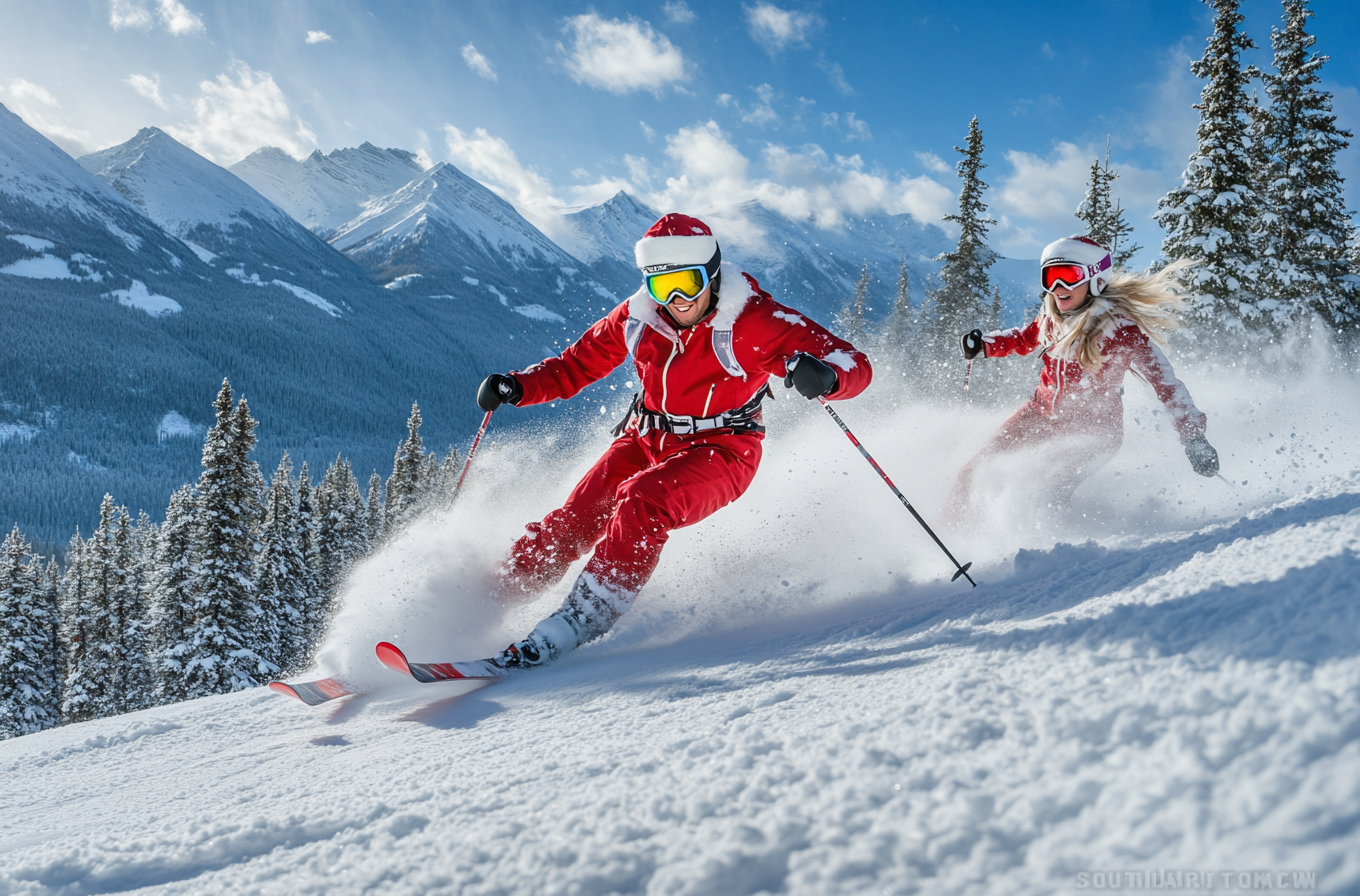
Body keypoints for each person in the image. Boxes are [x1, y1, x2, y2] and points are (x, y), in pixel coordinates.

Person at [474, 213, 872, 668]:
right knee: (575, 519)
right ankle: (490, 598)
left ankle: (581, 618)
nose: (678, 299)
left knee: (643, 500)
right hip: (647, 436)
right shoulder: (638, 317)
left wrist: (827, 376)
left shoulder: (755, 319)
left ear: (713, 274)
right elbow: (575, 365)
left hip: (724, 449)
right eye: (664, 288)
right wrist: (519, 386)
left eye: (689, 282)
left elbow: (854, 362)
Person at [948, 235, 1217, 518]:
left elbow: (1166, 383)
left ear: (1096, 279)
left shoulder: (1121, 330)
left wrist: (1193, 437)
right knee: (973, 471)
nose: (1058, 288)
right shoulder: (1051, 315)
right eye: (1050, 277)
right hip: (1039, 415)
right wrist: (986, 345)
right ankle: (952, 535)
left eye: (1069, 276)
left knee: (1041, 491)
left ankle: (1058, 552)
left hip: (1094, 433)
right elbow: (1025, 339)